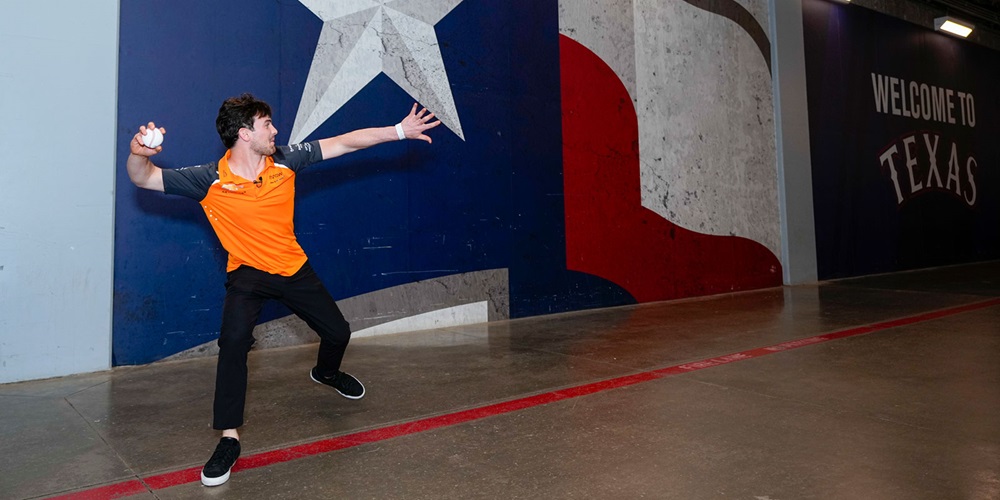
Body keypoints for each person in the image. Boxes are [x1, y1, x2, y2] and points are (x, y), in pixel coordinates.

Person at [126, 93, 441, 487]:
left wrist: (399, 131)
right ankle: (228, 438)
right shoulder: (209, 179)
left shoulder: (286, 160)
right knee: (234, 342)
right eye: (267, 124)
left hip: (294, 269)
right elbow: (143, 177)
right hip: (247, 275)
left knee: (338, 332)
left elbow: (344, 142)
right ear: (245, 133)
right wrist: (139, 154)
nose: (275, 130)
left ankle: (326, 372)